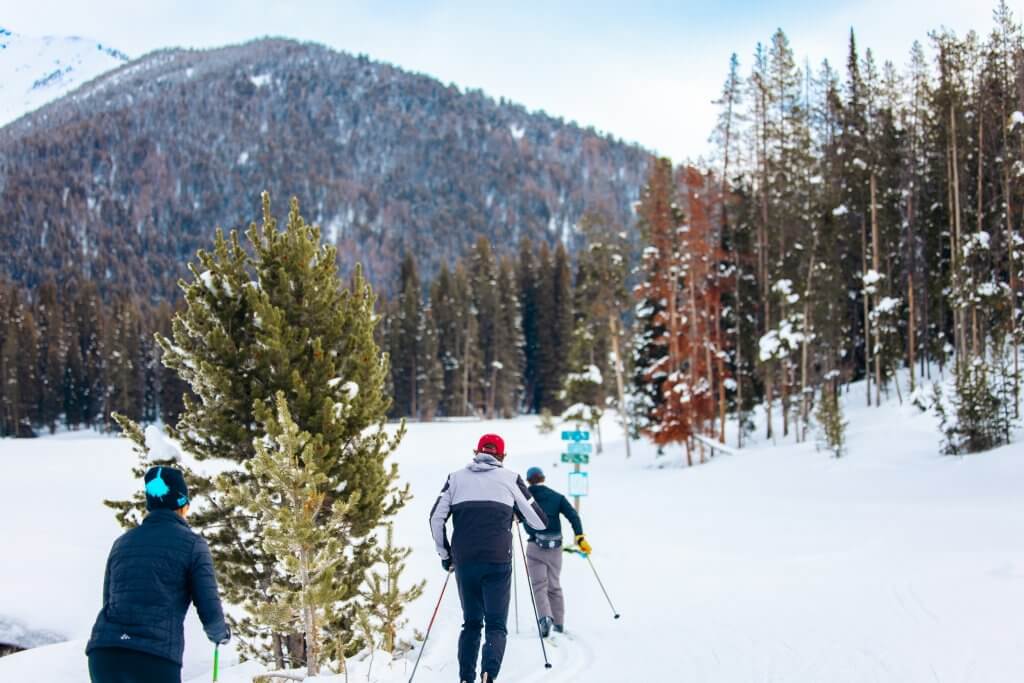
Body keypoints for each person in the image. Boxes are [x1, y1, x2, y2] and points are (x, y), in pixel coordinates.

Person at [86, 466, 230, 683]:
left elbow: (109, 600)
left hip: (106, 653)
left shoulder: (122, 543)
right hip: (153, 658)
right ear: (182, 504)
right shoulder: (193, 545)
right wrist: (220, 634)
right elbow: (209, 608)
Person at [429, 433, 548, 683]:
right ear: (502, 456)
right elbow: (539, 521)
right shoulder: (510, 478)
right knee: (495, 625)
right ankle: (488, 675)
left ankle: (465, 679)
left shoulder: (455, 479)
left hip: (465, 561)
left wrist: (446, 554)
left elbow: (435, 518)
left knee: (471, 623)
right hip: (498, 561)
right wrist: (515, 512)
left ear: (477, 452)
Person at [521, 466, 591, 637]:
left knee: (539, 585)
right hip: (555, 547)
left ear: (528, 480)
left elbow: (516, 516)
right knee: (554, 585)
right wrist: (579, 537)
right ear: (543, 478)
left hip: (535, 546)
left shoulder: (524, 498)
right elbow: (573, 516)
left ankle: (545, 618)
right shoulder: (557, 497)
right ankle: (559, 623)